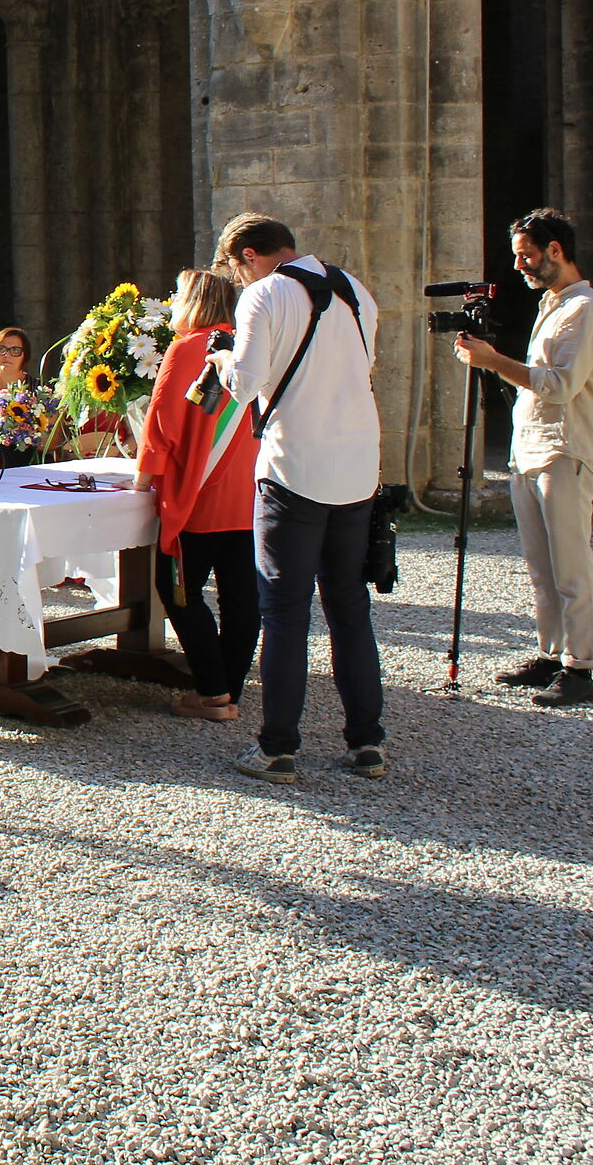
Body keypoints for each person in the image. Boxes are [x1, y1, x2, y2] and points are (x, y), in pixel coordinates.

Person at [211, 213, 385, 784]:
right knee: (349, 608)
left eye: (236, 271)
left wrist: (220, 361)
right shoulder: (357, 290)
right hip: (357, 468)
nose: (238, 281)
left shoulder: (264, 294)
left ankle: (277, 748)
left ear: (250, 257)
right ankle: (366, 744)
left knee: (284, 615)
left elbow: (243, 386)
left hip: (293, 469)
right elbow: (362, 371)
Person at [453, 208, 593, 709]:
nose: (519, 266)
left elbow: (561, 385)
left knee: (570, 564)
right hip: (531, 451)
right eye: (517, 256)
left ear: (556, 251)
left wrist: (493, 361)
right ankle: (551, 656)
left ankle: (580, 668)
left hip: (564, 450)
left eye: (526, 255)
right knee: (540, 566)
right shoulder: (554, 304)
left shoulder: (586, 308)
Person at [134, 271, 263, 722]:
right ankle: (229, 689)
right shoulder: (249, 346)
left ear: (193, 301)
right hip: (250, 491)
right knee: (241, 596)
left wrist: (143, 480)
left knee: (177, 589)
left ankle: (212, 692)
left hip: (199, 493)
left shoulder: (188, 348)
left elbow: (162, 423)